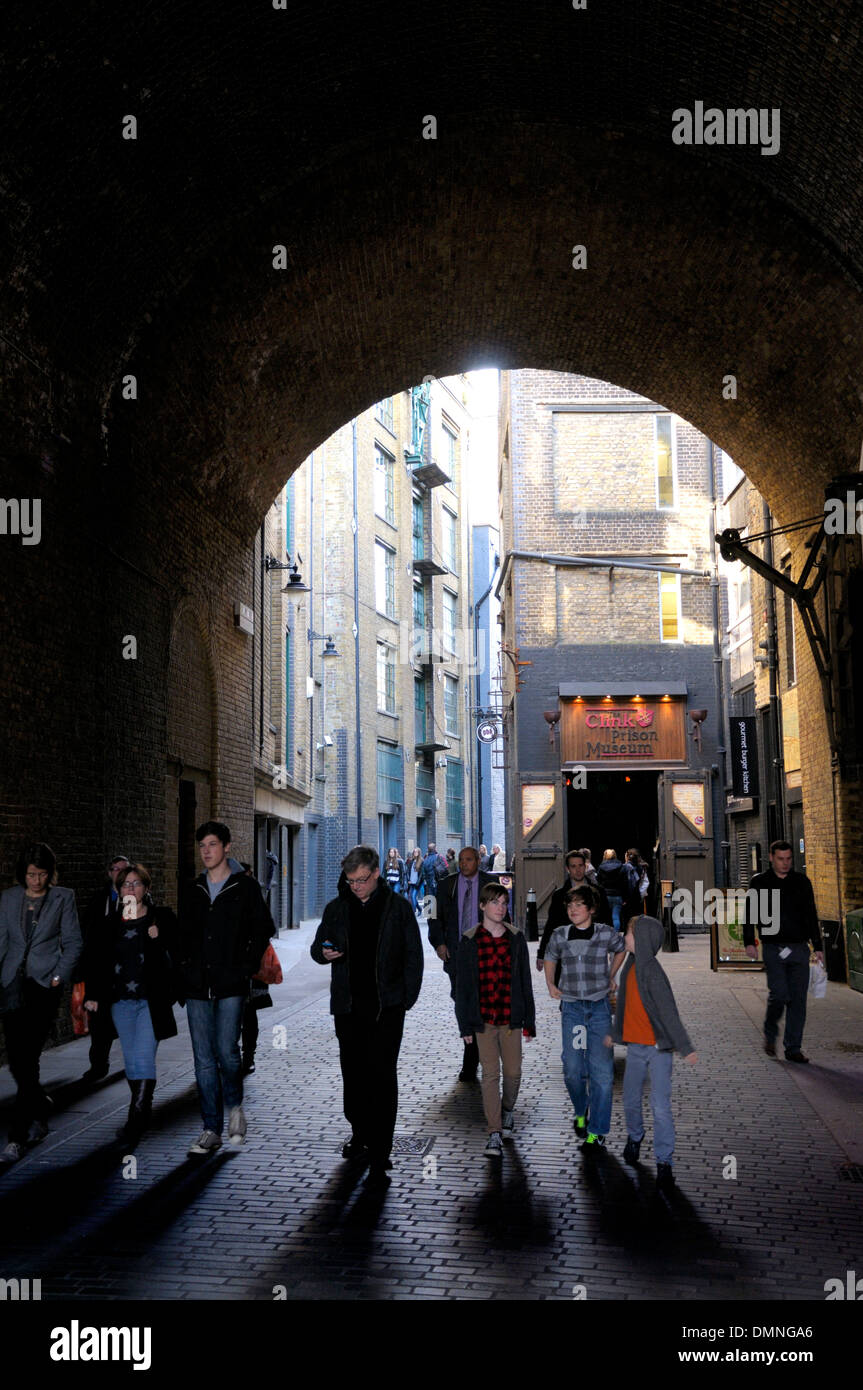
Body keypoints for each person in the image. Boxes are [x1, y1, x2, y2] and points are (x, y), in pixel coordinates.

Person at [310, 845, 423, 1189]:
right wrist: (323, 953)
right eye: (350, 880)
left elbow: (413, 957)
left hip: (387, 1008)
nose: (356, 886)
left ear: (376, 873)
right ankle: (359, 1132)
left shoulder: (398, 909)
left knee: (382, 1076)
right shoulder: (336, 908)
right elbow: (317, 948)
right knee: (354, 1075)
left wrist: (404, 1000)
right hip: (348, 1008)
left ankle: (380, 1148)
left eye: (361, 880)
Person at [178, 821, 275, 1154]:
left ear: (227, 847)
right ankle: (210, 1129)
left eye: (212, 844)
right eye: (201, 845)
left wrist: (245, 967)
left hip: (231, 984)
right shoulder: (193, 890)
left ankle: (234, 1108)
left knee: (228, 1053)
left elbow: (265, 928)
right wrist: (184, 970)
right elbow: (183, 936)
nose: (206, 851)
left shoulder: (244, 888)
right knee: (203, 1059)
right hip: (196, 987)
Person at [83, 862, 179, 1146]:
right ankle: (141, 1109)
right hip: (120, 1001)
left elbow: (180, 950)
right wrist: (92, 995)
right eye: (126, 884)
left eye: (136, 883)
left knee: (144, 1057)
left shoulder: (160, 918)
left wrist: (160, 937)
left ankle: (136, 1114)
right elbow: (97, 962)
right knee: (131, 1059)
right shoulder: (110, 923)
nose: (131, 888)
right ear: (118, 889)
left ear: (146, 888)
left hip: (151, 1002)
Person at [0, 843, 82, 1164]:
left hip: (44, 986)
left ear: (50, 874)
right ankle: (39, 1106)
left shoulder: (63, 898)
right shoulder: (8, 899)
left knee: (29, 1055)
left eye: (42, 874)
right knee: (18, 1061)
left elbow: (74, 942)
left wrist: (59, 977)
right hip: (12, 984)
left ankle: (17, 1137)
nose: (36, 880)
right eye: (31, 874)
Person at [604, 914, 697, 1190]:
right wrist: (615, 1033)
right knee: (631, 1098)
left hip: (658, 1050)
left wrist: (685, 1046)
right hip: (635, 1048)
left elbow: (668, 1012)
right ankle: (635, 1137)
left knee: (659, 1105)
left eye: (629, 934)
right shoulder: (630, 966)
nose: (625, 937)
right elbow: (624, 1007)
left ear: (642, 939)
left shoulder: (653, 972)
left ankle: (664, 1161)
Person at [455, 882, 535, 1158]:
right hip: (483, 1020)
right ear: (482, 906)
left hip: (510, 1019)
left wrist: (530, 1021)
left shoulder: (515, 938)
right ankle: (494, 1132)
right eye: (495, 902)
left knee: (513, 1073)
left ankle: (508, 1109)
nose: (500, 908)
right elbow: (463, 988)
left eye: (504, 903)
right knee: (490, 1075)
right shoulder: (469, 940)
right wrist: (465, 1025)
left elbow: (525, 982)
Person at [544, 884, 625, 1150]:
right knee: (572, 1070)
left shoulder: (604, 933)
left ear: (591, 909)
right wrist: (550, 985)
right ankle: (582, 1109)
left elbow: (621, 948)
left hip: (599, 1009)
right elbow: (550, 957)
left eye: (579, 905)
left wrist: (611, 975)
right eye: (570, 906)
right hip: (572, 1010)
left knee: (601, 1073)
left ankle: (596, 1131)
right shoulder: (560, 935)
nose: (573, 910)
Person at [742, 840, 824, 1063]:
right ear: (771, 858)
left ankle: (793, 1048)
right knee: (779, 994)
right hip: (773, 948)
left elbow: (810, 914)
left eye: (789, 859)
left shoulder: (801, 882)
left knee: (798, 1000)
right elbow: (750, 913)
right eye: (781, 859)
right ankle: (770, 1034)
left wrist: (818, 947)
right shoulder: (759, 882)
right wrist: (749, 941)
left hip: (798, 948)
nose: (785, 863)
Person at [428, 846, 500, 1082]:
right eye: (461, 860)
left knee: (480, 1005)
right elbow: (433, 916)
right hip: (457, 955)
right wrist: (439, 943)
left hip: (485, 955)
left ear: (478, 861)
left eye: (468, 860)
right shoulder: (446, 885)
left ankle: (472, 1059)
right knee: (463, 1003)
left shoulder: (491, 883)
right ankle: (473, 1052)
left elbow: (503, 916)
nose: (464, 864)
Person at [77, 853, 130, 1083]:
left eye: (123, 869)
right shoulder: (99, 900)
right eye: (115, 869)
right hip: (101, 971)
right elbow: (87, 934)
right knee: (99, 1021)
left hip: (126, 972)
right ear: (109, 873)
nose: (118, 873)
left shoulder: (133, 899)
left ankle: (132, 1061)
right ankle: (98, 1065)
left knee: (127, 1020)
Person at [536, 851, 612, 972]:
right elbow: (551, 924)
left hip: (593, 950)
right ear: (567, 869)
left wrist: (609, 947)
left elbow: (607, 920)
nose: (578, 870)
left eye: (580, 865)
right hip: (566, 952)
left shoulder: (598, 892)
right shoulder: (559, 895)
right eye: (573, 866)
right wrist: (541, 953)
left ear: (585, 866)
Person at [596, 848, 641, 932]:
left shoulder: (601, 867)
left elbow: (598, 883)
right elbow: (625, 883)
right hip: (617, 895)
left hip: (605, 895)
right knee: (616, 917)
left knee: (605, 917)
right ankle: (616, 935)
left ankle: (606, 935)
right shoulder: (621, 867)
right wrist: (625, 898)